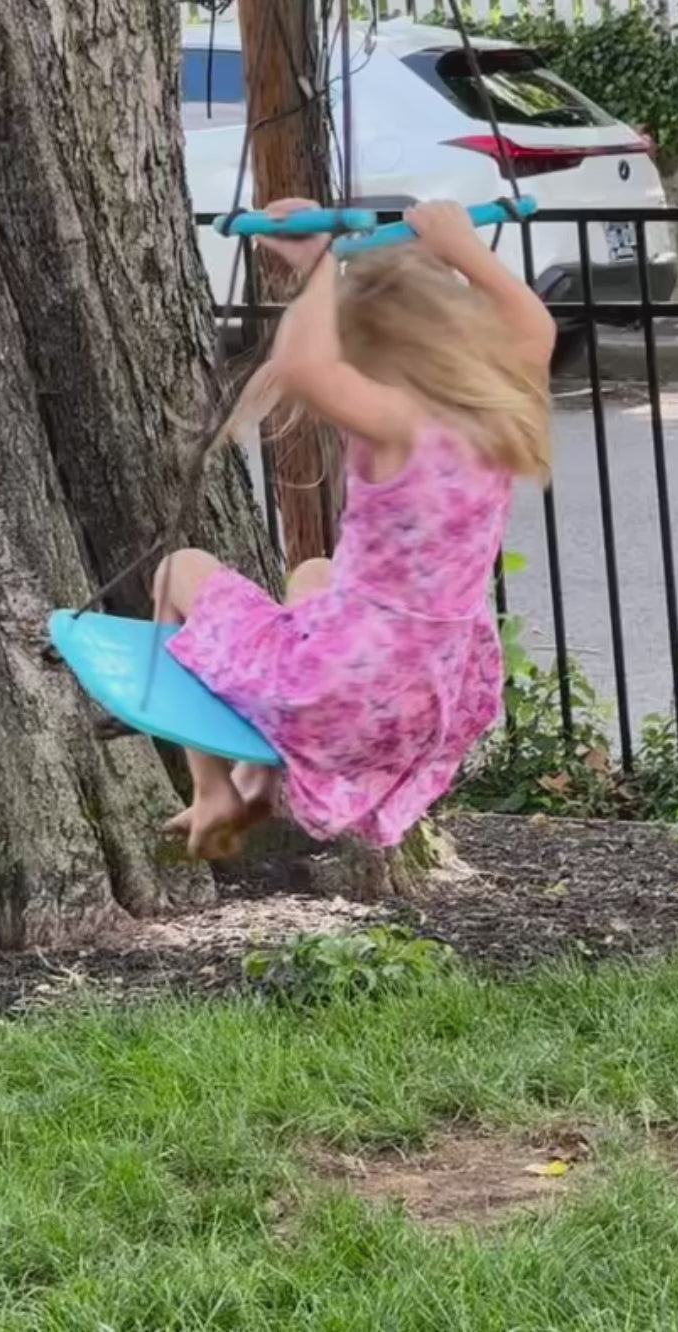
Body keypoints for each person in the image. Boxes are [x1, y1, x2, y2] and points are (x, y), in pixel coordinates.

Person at [157, 198, 555, 861]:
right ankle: (260, 774)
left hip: (347, 692)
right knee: (314, 575)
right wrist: (462, 249)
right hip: (431, 700)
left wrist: (319, 266)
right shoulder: (499, 409)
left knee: (179, 570)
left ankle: (214, 789)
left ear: (366, 352)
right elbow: (533, 326)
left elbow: (307, 367)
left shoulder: (400, 421)